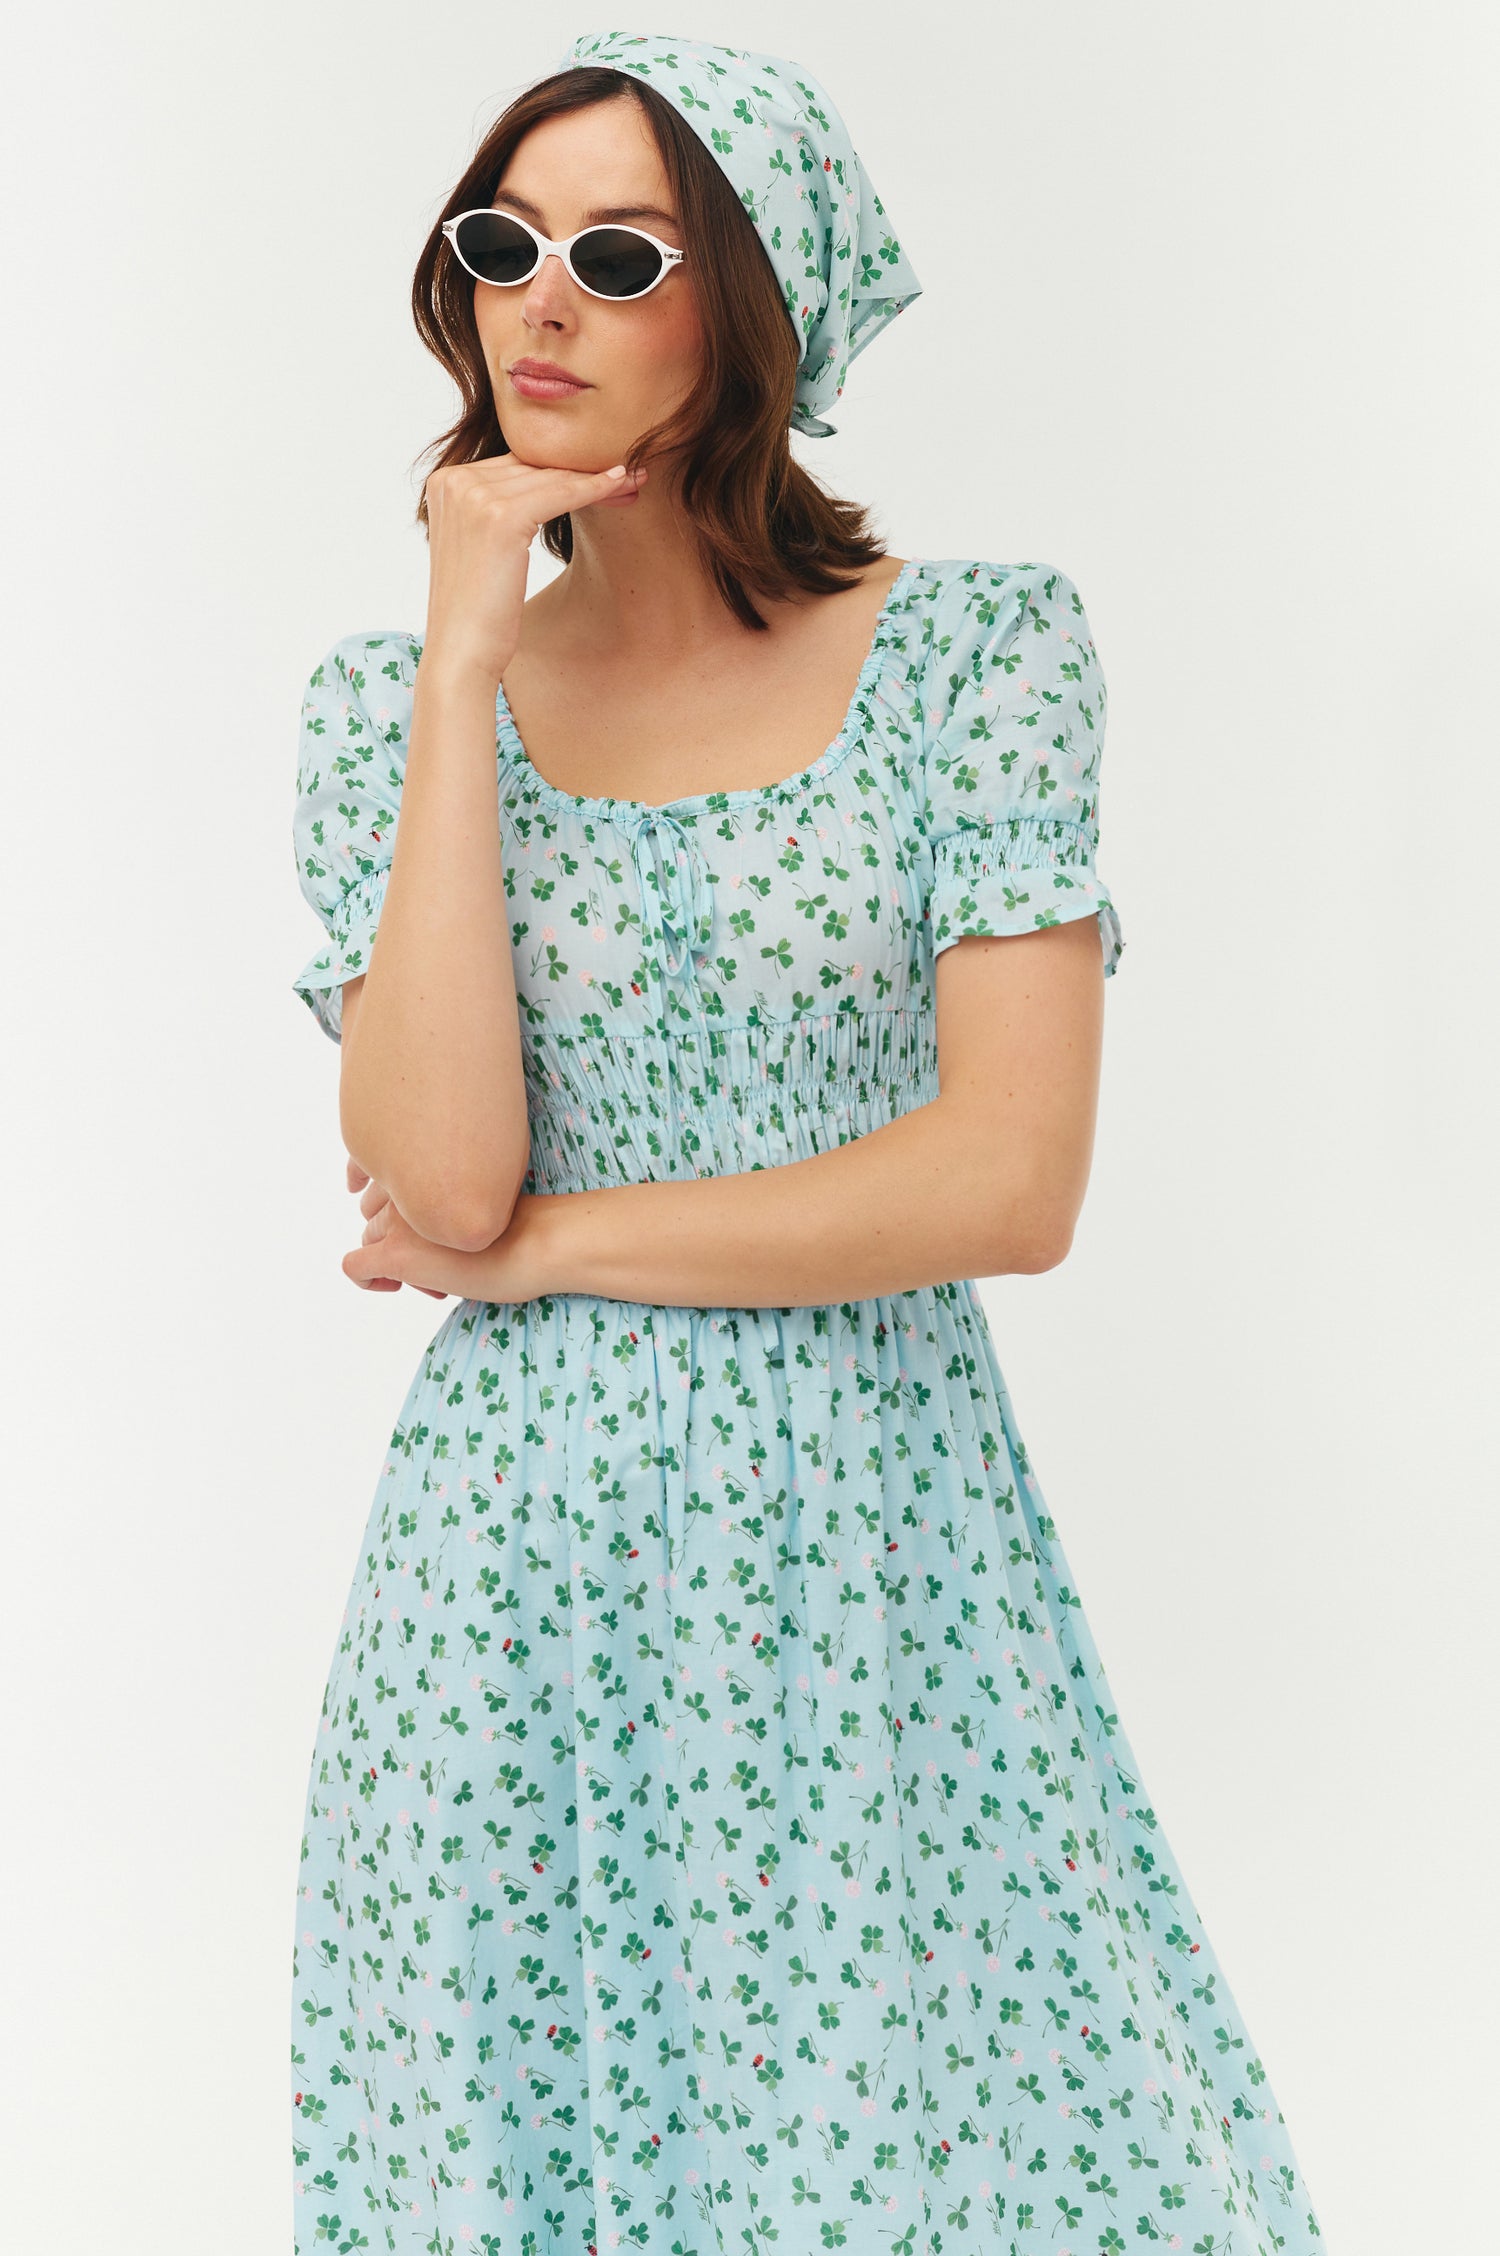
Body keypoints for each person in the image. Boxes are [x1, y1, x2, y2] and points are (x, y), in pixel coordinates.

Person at [287, 31, 1326, 2256]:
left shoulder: (967, 660)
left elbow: (1005, 1182)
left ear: (746, 312)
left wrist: (558, 1248)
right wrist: (465, 670)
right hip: (509, 1590)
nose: (538, 302)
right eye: (499, 245)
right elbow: (438, 1180)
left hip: (870, 1545)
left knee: (920, 2146)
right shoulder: (387, 712)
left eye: (618, 252)